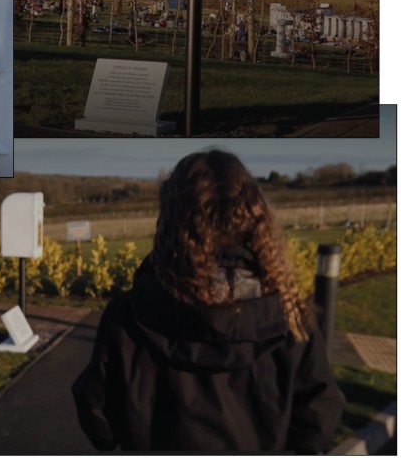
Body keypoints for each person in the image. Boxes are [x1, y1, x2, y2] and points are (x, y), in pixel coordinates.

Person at [71, 149, 343, 453]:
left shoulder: (127, 314)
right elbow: (318, 420)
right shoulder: (287, 315)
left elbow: (99, 417)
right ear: (255, 217)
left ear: (171, 220)